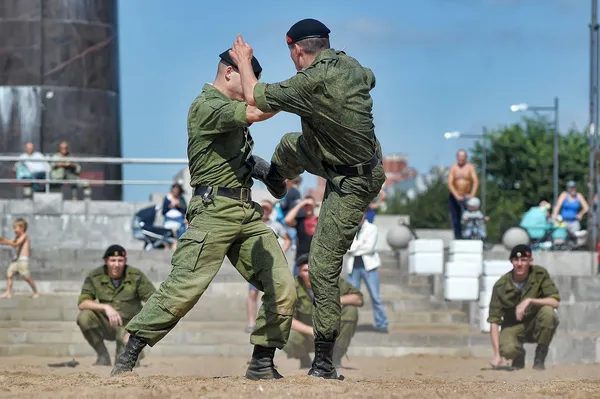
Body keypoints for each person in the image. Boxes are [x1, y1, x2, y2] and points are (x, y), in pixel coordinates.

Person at [111, 50, 296, 380]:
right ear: (228, 73)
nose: (252, 86)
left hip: (245, 213)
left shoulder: (232, 117)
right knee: (182, 291)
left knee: (283, 286)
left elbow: (238, 158)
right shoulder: (206, 106)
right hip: (212, 213)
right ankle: (129, 353)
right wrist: (298, 92)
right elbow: (257, 108)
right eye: (245, 75)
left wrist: (266, 172)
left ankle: (262, 361)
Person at [230, 18, 386, 379]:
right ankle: (277, 181)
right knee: (289, 145)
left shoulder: (312, 81)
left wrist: (242, 60)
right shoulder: (352, 66)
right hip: (335, 156)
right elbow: (370, 77)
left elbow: (255, 95)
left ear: (297, 50)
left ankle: (325, 362)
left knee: (322, 266)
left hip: (353, 182)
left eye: (291, 54)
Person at [77, 245, 156, 366]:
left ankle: (134, 351)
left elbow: (154, 301)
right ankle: (102, 356)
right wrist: (106, 307)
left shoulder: (135, 276)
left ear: (125, 261)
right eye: (113, 260)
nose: (116, 264)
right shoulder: (95, 276)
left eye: (120, 260)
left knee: (123, 364)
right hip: (108, 324)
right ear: (106, 261)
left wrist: (137, 329)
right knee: (84, 317)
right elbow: (83, 302)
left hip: (130, 326)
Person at [283, 254, 362, 369]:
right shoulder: (292, 287)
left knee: (351, 310)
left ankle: (335, 359)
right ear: (299, 272)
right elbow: (287, 319)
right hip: (307, 335)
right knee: (284, 333)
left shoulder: (331, 281)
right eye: (305, 270)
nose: (309, 273)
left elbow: (358, 299)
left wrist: (333, 300)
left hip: (331, 332)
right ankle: (304, 359)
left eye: (312, 270)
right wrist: (313, 331)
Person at [487, 244, 560, 371]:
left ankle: (540, 357)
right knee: (507, 349)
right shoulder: (501, 286)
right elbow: (494, 321)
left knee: (548, 313)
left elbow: (554, 301)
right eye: (516, 260)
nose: (519, 264)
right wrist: (496, 355)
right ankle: (518, 355)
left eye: (524, 260)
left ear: (530, 261)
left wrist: (530, 300)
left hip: (536, 323)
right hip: (513, 326)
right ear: (511, 261)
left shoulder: (539, 274)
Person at [246, 199, 292, 333]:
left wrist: (280, 254)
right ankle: (251, 322)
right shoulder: (251, 224)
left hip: (271, 265)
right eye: (263, 207)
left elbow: (287, 240)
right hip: (255, 263)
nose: (265, 210)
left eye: (268, 208)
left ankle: (271, 322)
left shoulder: (276, 225)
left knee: (273, 293)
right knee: (252, 293)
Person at [345, 212, 388, 333]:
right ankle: (349, 324)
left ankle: (382, 324)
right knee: (351, 297)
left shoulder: (372, 228)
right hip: (353, 267)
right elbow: (347, 247)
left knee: (375, 296)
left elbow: (369, 247)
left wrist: (355, 248)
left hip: (369, 267)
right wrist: (359, 246)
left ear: (364, 215)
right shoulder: (348, 228)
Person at [0, 219, 39, 299]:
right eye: (13, 228)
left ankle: (36, 292)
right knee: (9, 274)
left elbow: (16, 244)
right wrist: (3, 241)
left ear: (22, 228)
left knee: (26, 277)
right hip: (16, 259)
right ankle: (8, 292)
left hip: (23, 260)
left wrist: (6, 242)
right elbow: (11, 242)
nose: (14, 230)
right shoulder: (17, 236)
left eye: (15, 228)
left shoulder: (25, 236)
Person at [447, 149, 479, 239]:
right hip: (455, 196)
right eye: (459, 156)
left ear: (466, 157)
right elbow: (450, 183)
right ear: (457, 157)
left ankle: (470, 236)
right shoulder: (453, 168)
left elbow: (475, 181)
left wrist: (472, 194)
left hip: (467, 196)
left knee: (469, 217)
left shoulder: (470, 167)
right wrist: (456, 195)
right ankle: (458, 237)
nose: (461, 158)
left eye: (463, 156)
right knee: (455, 218)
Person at [284, 195, 318, 276]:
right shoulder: (300, 221)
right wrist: (301, 204)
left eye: (310, 205)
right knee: (297, 287)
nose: (308, 207)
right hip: (300, 260)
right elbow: (287, 220)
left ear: (314, 206)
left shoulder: (320, 220)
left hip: (317, 261)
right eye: (306, 205)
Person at [162, 183, 188, 247]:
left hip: (179, 219)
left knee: (182, 230)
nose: (175, 192)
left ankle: (180, 246)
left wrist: (178, 205)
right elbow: (163, 211)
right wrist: (170, 206)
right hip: (168, 219)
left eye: (177, 191)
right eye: (174, 190)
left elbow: (185, 209)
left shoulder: (181, 198)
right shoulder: (167, 198)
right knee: (167, 233)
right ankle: (168, 245)